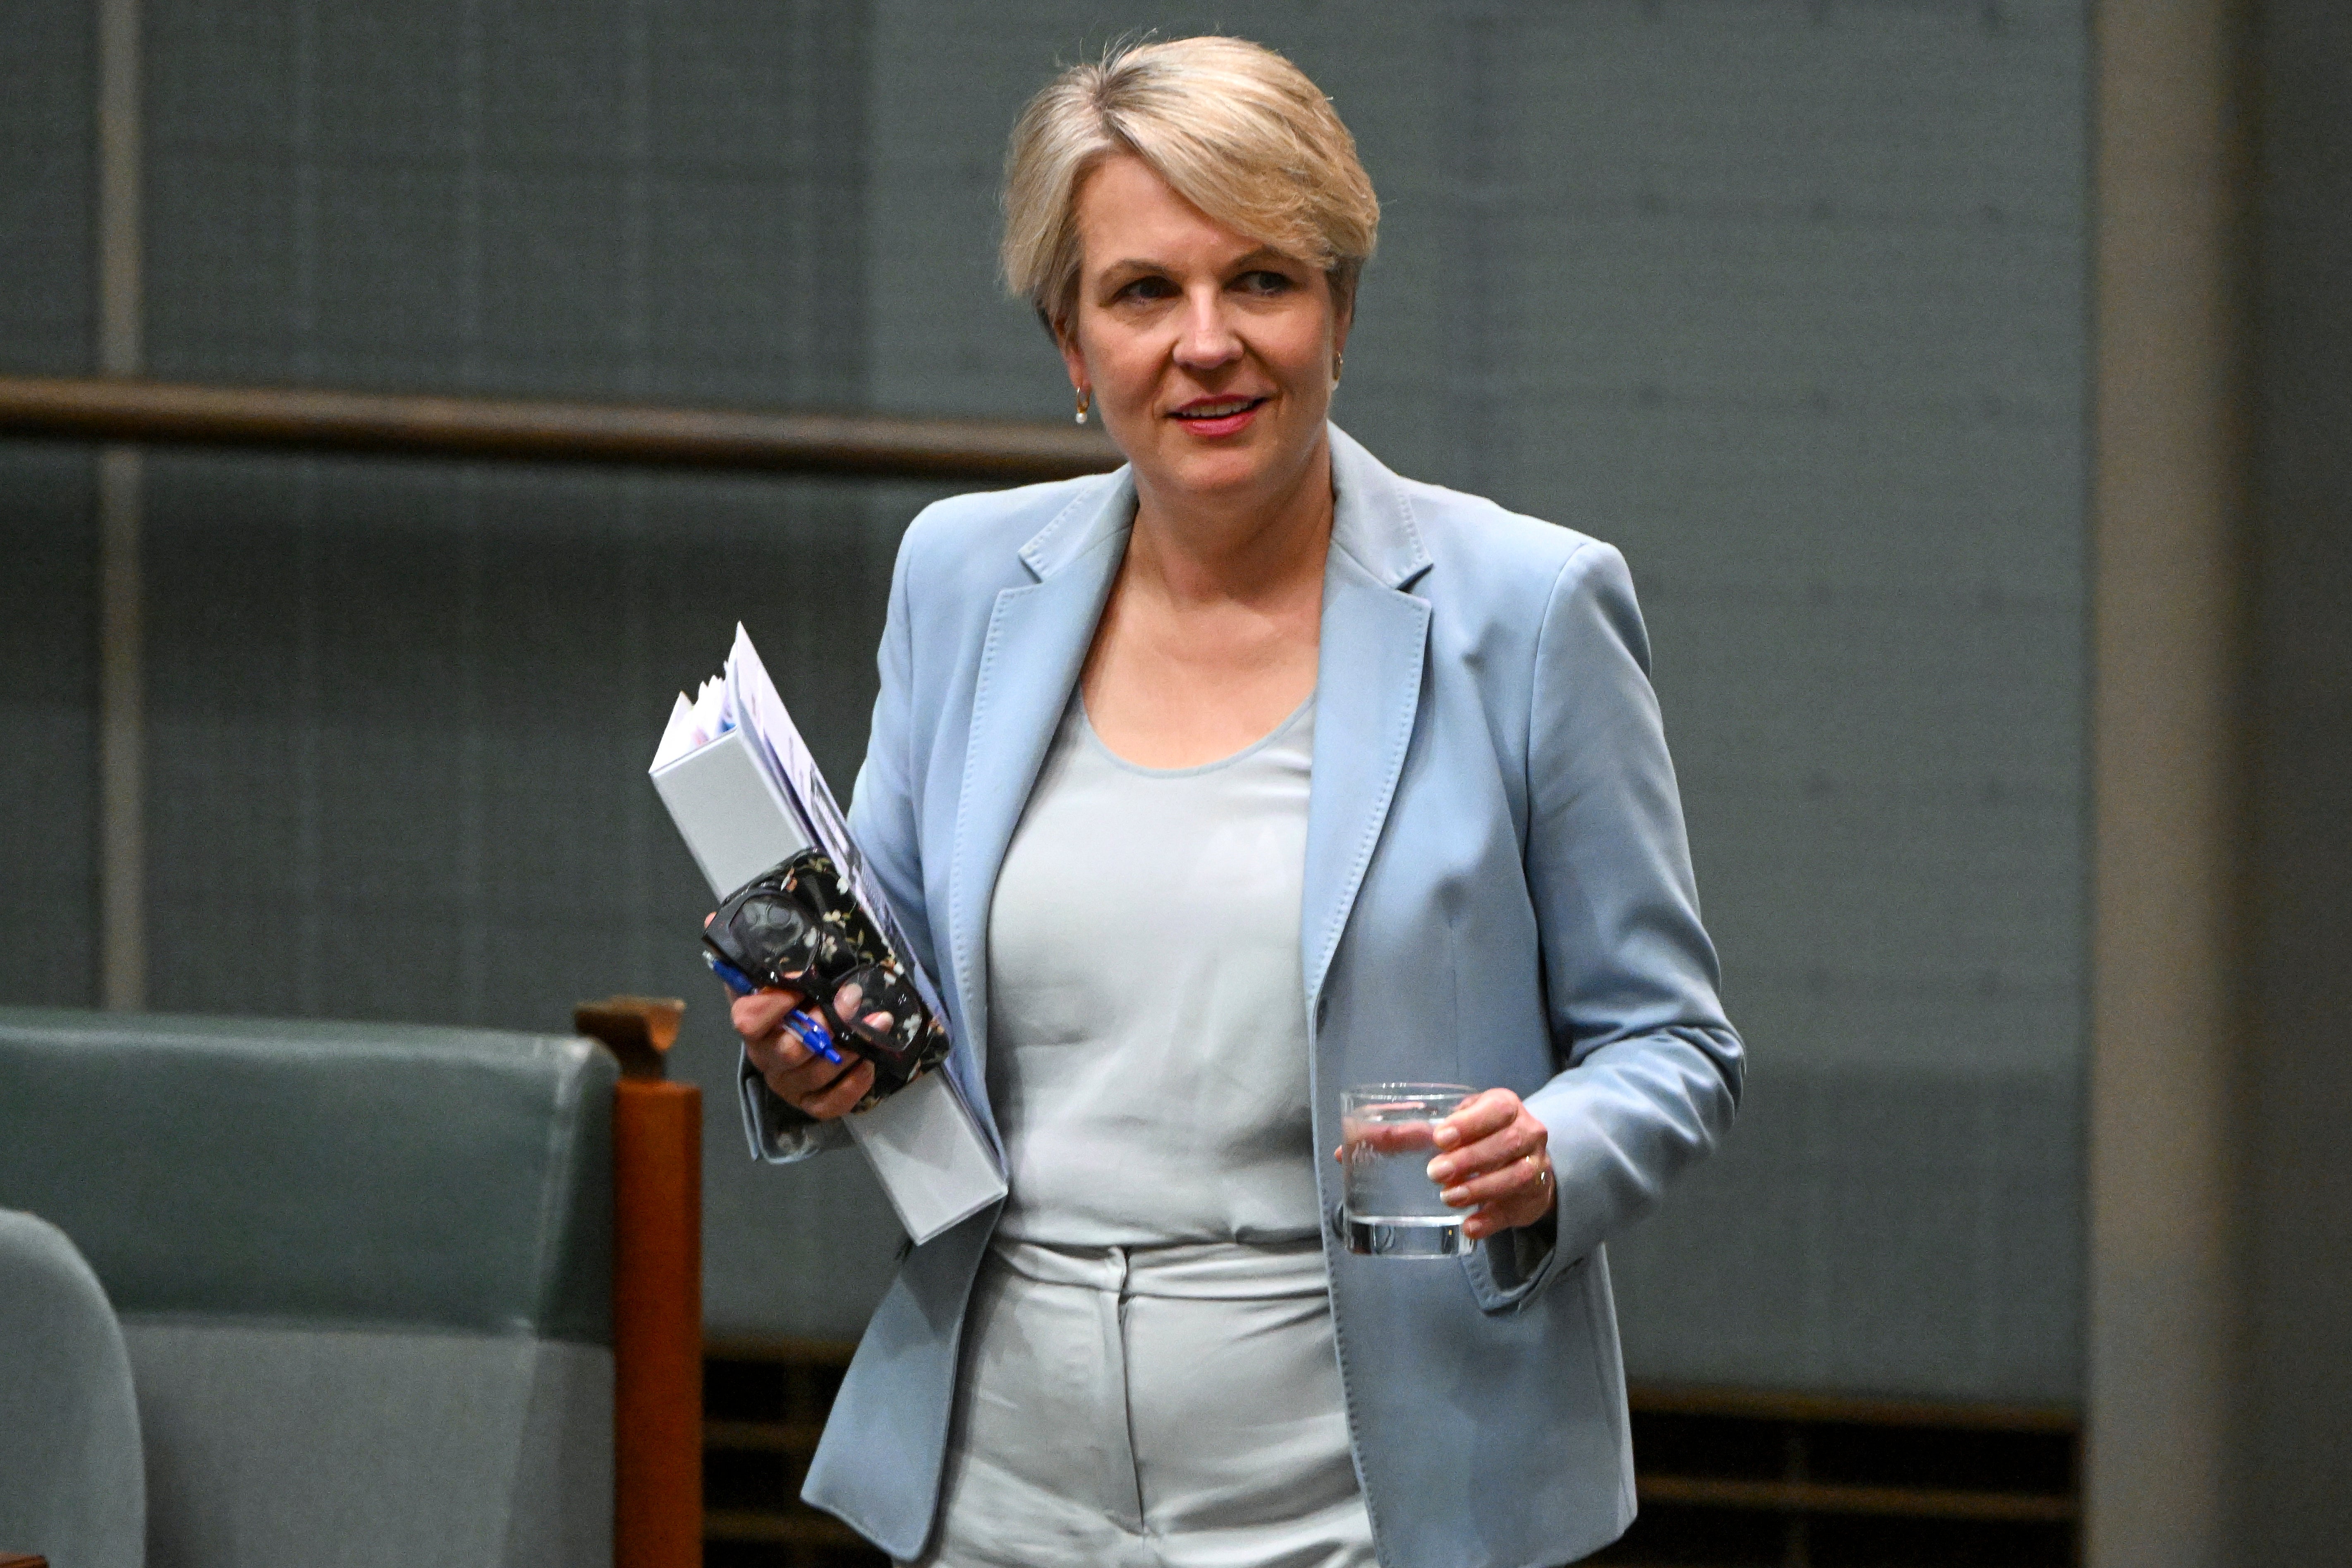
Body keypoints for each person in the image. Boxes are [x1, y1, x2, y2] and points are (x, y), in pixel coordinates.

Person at [728, 34, 1742, 1568]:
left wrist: (1548, 1160)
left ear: (1340, 312)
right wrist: (810, 1061)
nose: (1207, 342)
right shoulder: (959, 579)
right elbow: (893, 985)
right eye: (1144, 293)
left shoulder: (1530, 610)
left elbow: (1672, 1045)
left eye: (1262, 280)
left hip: (1369, 1498)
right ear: (1072, 347)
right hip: (998, 1485)